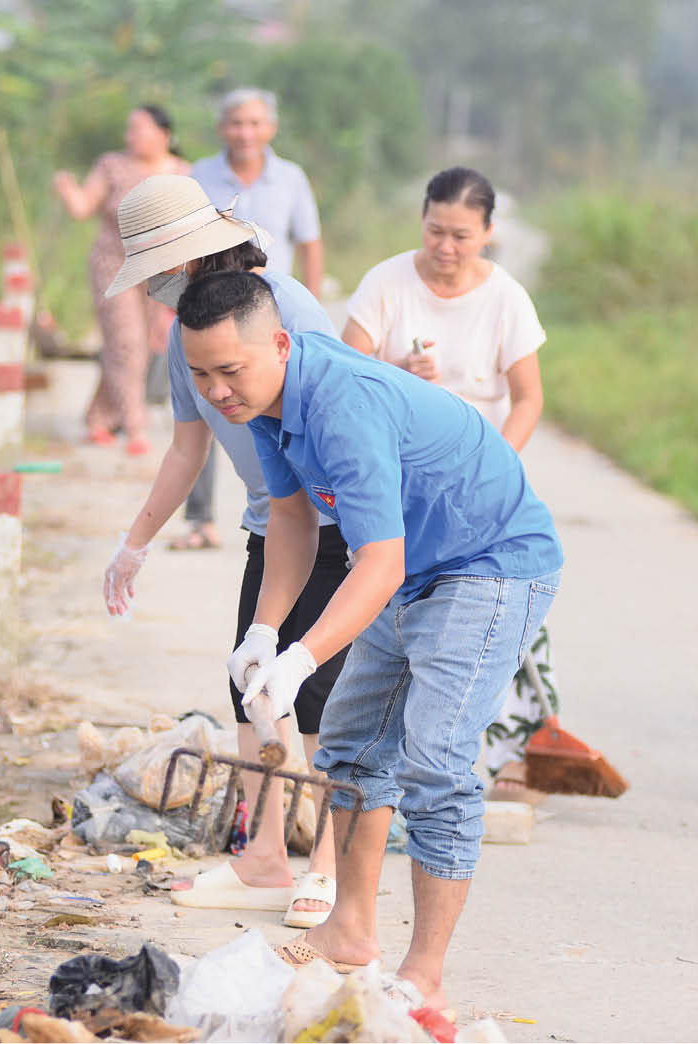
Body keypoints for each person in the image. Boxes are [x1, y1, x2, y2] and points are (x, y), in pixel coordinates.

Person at [176, 269, 562, 1010]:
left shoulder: (341, 403)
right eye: (201, 374)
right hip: (413, 562)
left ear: (280, 345)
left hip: (489, 563)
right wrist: (263, 629)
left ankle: (425, 973)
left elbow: (376, 561)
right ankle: (349, 932)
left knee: (436, 758)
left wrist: (302, 656)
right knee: (352, 743)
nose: (218, 390)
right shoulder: (265, 405)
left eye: (230, 370)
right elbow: (290, 520)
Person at [99, 175, 347, 928]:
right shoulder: (184, 331)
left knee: (320, 697)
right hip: (270, 521)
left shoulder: (288, 312)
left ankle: (326, 871)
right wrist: (132, 543)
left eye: (163, 271)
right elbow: (185, 447)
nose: (160, 288)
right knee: (251, 684)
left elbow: (335, 430)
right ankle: (264, 854)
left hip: (337, 527)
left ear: (202, 254)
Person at [341, 166, 554, 800]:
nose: (445, 247)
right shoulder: (386, 283)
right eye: (435, 231)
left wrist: (495, 464)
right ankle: (390, 761)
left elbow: (528, 399)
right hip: (401, 481)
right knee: (403, 614)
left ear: (488, 233)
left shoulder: (506, 299)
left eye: (461, 235)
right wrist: (398, 371)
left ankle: (502, 755)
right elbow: (345, 372)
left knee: (494, 617)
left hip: (482, 486)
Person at [173, 87, 325, 551]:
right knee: (212, 403)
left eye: (255, 123)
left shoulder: (291, 178)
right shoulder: (200, 175)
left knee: (281, 414)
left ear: (270, 129)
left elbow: (309, 240)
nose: (245, 133)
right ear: (222, 128)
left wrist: (309, 300)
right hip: (214, 312)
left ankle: (303, 510)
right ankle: (201, 518)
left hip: (272, 315)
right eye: (237, 123)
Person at [53, 104, 187, 456]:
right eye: (128, 129)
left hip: (159, 268)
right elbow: (83, 207)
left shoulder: (183, 172)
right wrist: (67, 189)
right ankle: (134, 424)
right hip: (112, 264)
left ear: (164, 134)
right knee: (127, 342)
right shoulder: (112, 165)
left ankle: (98, 418)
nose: (130, 136)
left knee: (137, 344)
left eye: (139, 129)